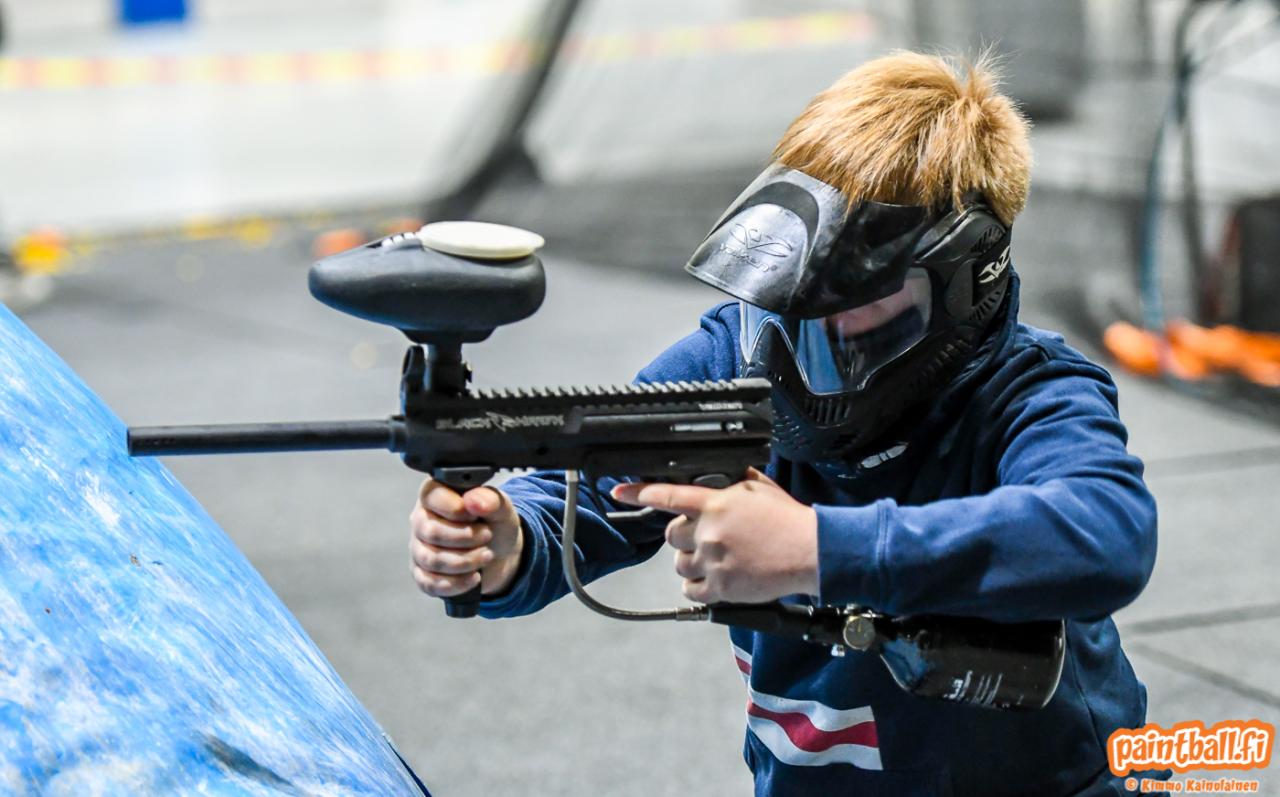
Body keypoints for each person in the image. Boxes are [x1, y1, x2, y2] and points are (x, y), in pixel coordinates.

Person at [409, 52, 1163, 796]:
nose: (799, 349)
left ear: (965, 280)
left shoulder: (1029, 389)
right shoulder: (737, 357)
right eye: (792, 305)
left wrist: (814, 548)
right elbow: (594, 477)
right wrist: (511, 541)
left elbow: (1106, 531)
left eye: (850, 309)